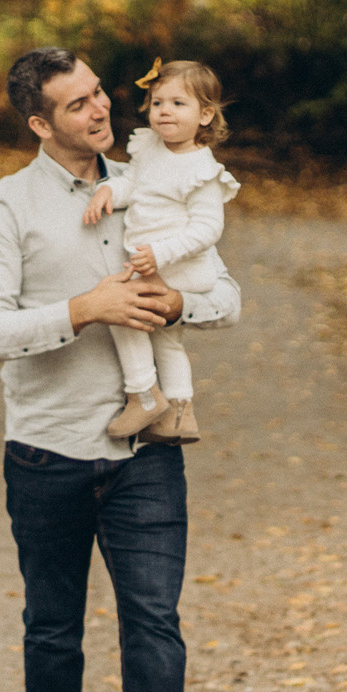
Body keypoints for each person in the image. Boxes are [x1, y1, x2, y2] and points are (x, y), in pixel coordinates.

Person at [0, 47, 242, 692]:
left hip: (147, 448)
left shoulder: (158, 177)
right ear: (39, 122)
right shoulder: (2, 208)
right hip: (45, 448)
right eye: (77, 103)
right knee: (53, 625)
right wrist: (85, 308)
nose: (100, 108)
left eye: (98, 93)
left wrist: (177, 303)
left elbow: (227, 295)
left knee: (154, 619)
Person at [80, 59, 241, 445]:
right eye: (157, 103)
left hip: (179, 265)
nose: (164, 111)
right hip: (156, 261)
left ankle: (143, 394)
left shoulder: (201, 170)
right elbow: (134, 184)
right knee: (167, 340)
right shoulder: (151, 147)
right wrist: (108, 191)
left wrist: (160, 253)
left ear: (205, 115)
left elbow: (208, 229)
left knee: (122, 312)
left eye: (178, 104)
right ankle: (180, 412)